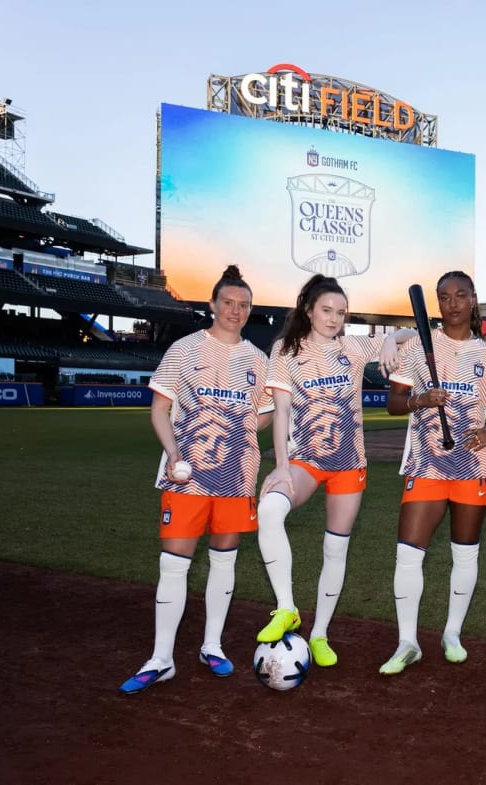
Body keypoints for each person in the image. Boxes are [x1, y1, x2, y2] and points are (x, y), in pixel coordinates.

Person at [119, 265, 273, 694]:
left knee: (224, 560)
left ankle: (212, 646)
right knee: (174, 564)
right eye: (228, 302)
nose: (235, 311)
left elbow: (263, 415)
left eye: (243, 305)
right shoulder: (185, 349)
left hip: (236, 475)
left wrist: (246, 424)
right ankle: (161, 659)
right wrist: (173, 454)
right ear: (212, 304)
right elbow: (159, 410)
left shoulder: (258, 360)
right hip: (186, 476)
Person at [255, 274, 415, 666]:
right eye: (326, 310)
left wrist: (391, 340)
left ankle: (320, 634)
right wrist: (281, 467)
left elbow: (410, 336)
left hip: (349, 464)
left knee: (336, 549)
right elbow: (281, 412)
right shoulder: (286, 351)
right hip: (306, 460)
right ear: (308, 310)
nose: (334, 318)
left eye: (341, 312)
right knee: (269, 509)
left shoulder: (353, 347)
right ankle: (287, 608)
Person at [378, 270, 486, 675]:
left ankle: (452, 633)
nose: (452, 304)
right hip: (427, 465)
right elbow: (394, 403)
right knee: (408, 553)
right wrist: (421, 400)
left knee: (464, 553)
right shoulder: (418, 348)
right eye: (444, 297)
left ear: (473, 299)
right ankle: (407, 642)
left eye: (460, 295)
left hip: (473, 466)